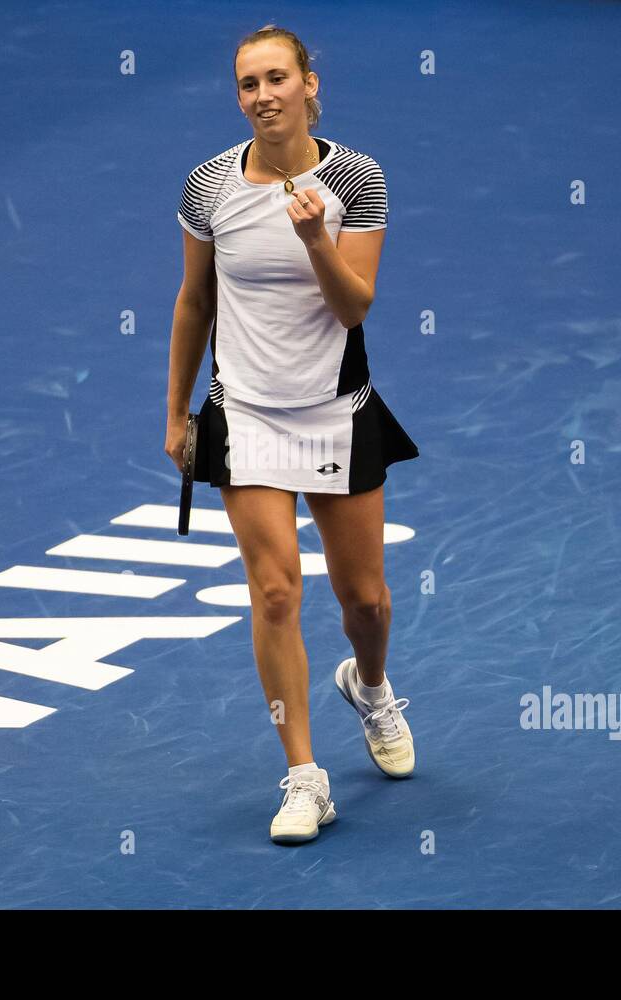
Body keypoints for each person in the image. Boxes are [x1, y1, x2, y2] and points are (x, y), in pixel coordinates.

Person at [164, 25, 420, 845]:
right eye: (248, 84)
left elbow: (354, 307)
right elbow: (193, 302)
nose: (264, 95)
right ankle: (305, 777)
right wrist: (177, 412)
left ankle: (371, 688)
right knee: (275, 592)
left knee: (366, 601)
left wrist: (314, 236)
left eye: (278, 78)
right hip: (245, 411)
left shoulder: (355, 178)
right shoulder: (209, 187)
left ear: (312, 84)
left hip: (335, 412)